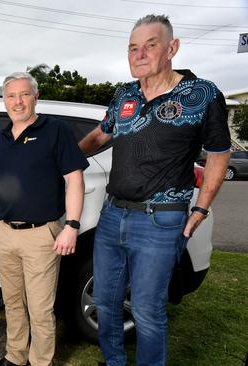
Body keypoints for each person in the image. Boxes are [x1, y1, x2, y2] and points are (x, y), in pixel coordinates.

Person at [78, 14, 231, 366]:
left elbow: (219, 157)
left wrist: (200, 210)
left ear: (172, 48)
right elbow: (100, 135)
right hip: (113, 213)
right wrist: (62, 159)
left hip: (160, 221)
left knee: (147, 309)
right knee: (105, 300)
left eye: (150, 45)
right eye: (133, 47)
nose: (139, 54)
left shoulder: (201, 94)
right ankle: (113, 361)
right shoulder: (125, 94)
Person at [0, 72, 89, 366]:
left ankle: (41, 363)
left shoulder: (55, 131)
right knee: (12, 303)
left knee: (40, 309)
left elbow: (74, 180)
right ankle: (15, 357)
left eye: (24, 95)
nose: (17, 101)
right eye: (11, 96)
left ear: (35, 97)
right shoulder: (1, 138)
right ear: (4, 101)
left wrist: (72, 226)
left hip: (41, 235)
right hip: (7, 233)